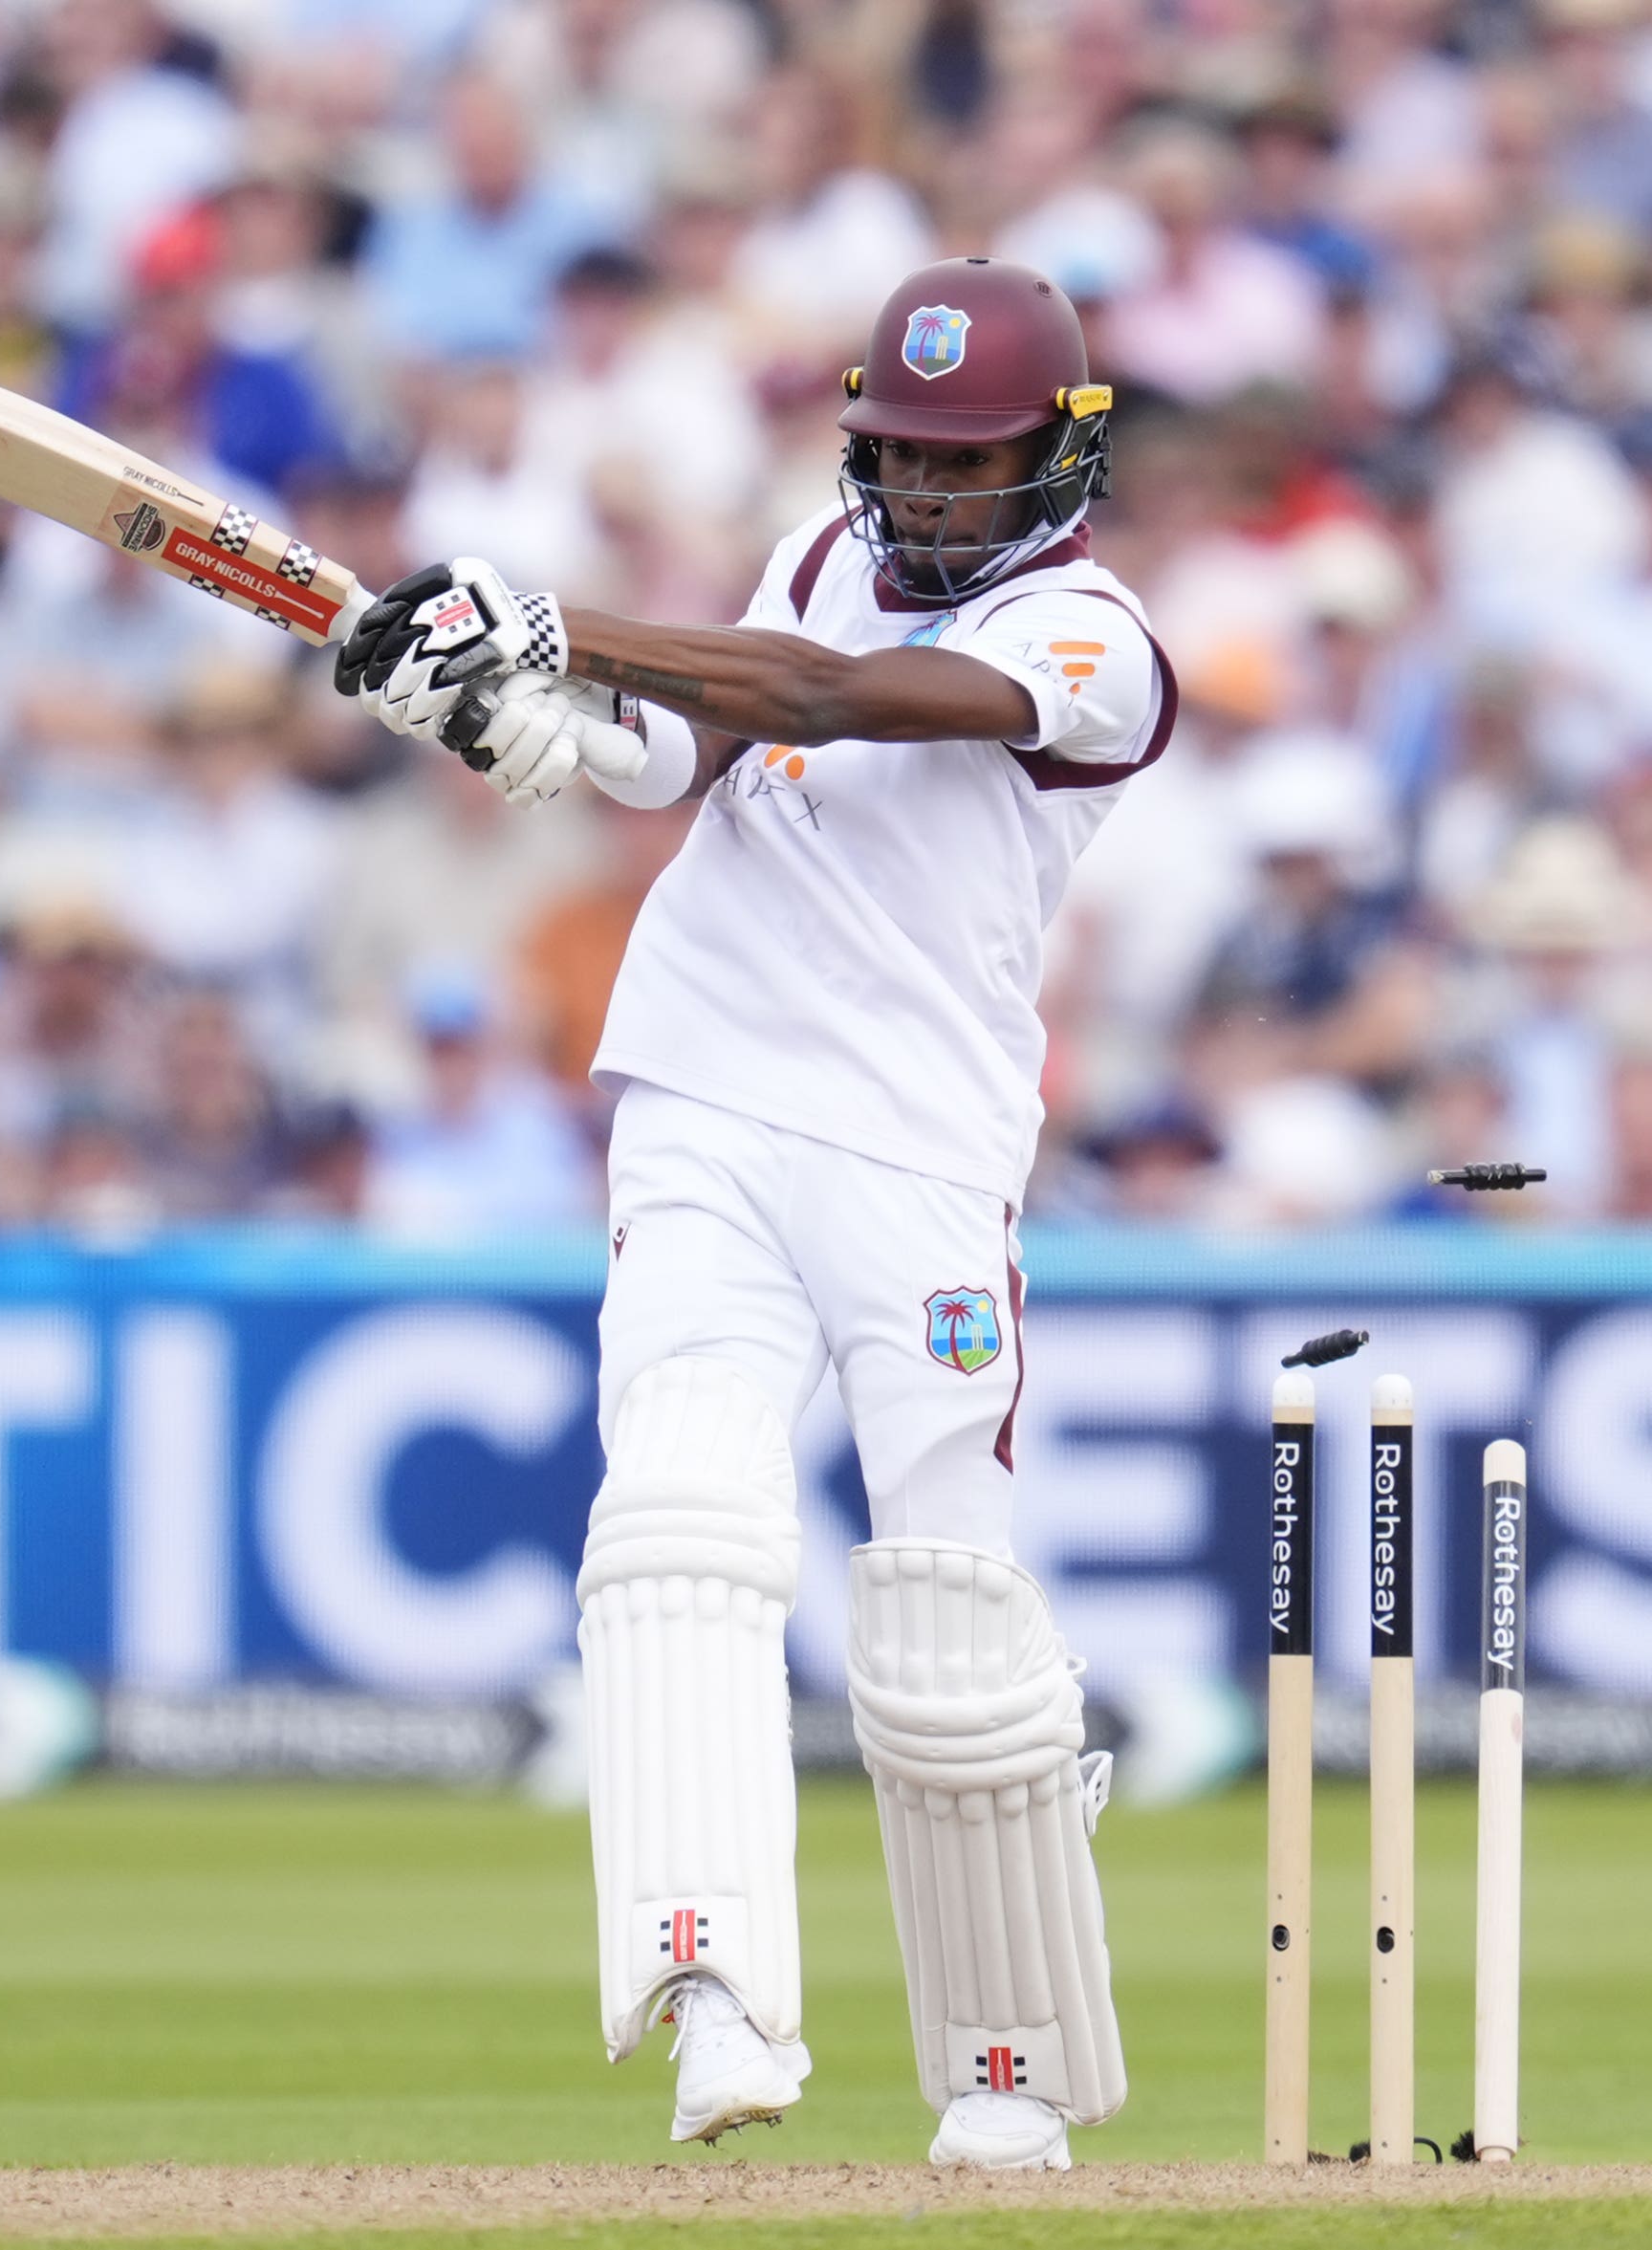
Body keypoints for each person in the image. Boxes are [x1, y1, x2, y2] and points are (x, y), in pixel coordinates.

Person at [332, 259, 1151, 2171]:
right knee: (676, 1523)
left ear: (1056, 458)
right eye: (908, 458)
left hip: (921, 1156)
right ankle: (711, 1988)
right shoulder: (813, 551)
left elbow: (831, 700)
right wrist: (503, 712)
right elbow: (678, 752)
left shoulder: (1105, 644)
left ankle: (1006, 2068)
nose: (936, 498)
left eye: (977, 461)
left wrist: (551, 623)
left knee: (947, 1601)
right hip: (701, 1097)